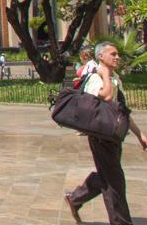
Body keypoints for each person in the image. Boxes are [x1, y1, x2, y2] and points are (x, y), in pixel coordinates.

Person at [65, 41, 147, 225]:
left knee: (108, 176)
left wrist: (139, 135)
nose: (117, 57)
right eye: (113, 54)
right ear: (101, 56)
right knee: (115, 182)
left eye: (118, 54)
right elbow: (107, 96)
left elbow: (122, 110)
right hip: (101, 137)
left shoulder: (115, 77)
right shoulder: (96, 78)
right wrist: (105, 75)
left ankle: (75, 198)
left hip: (113, 136)